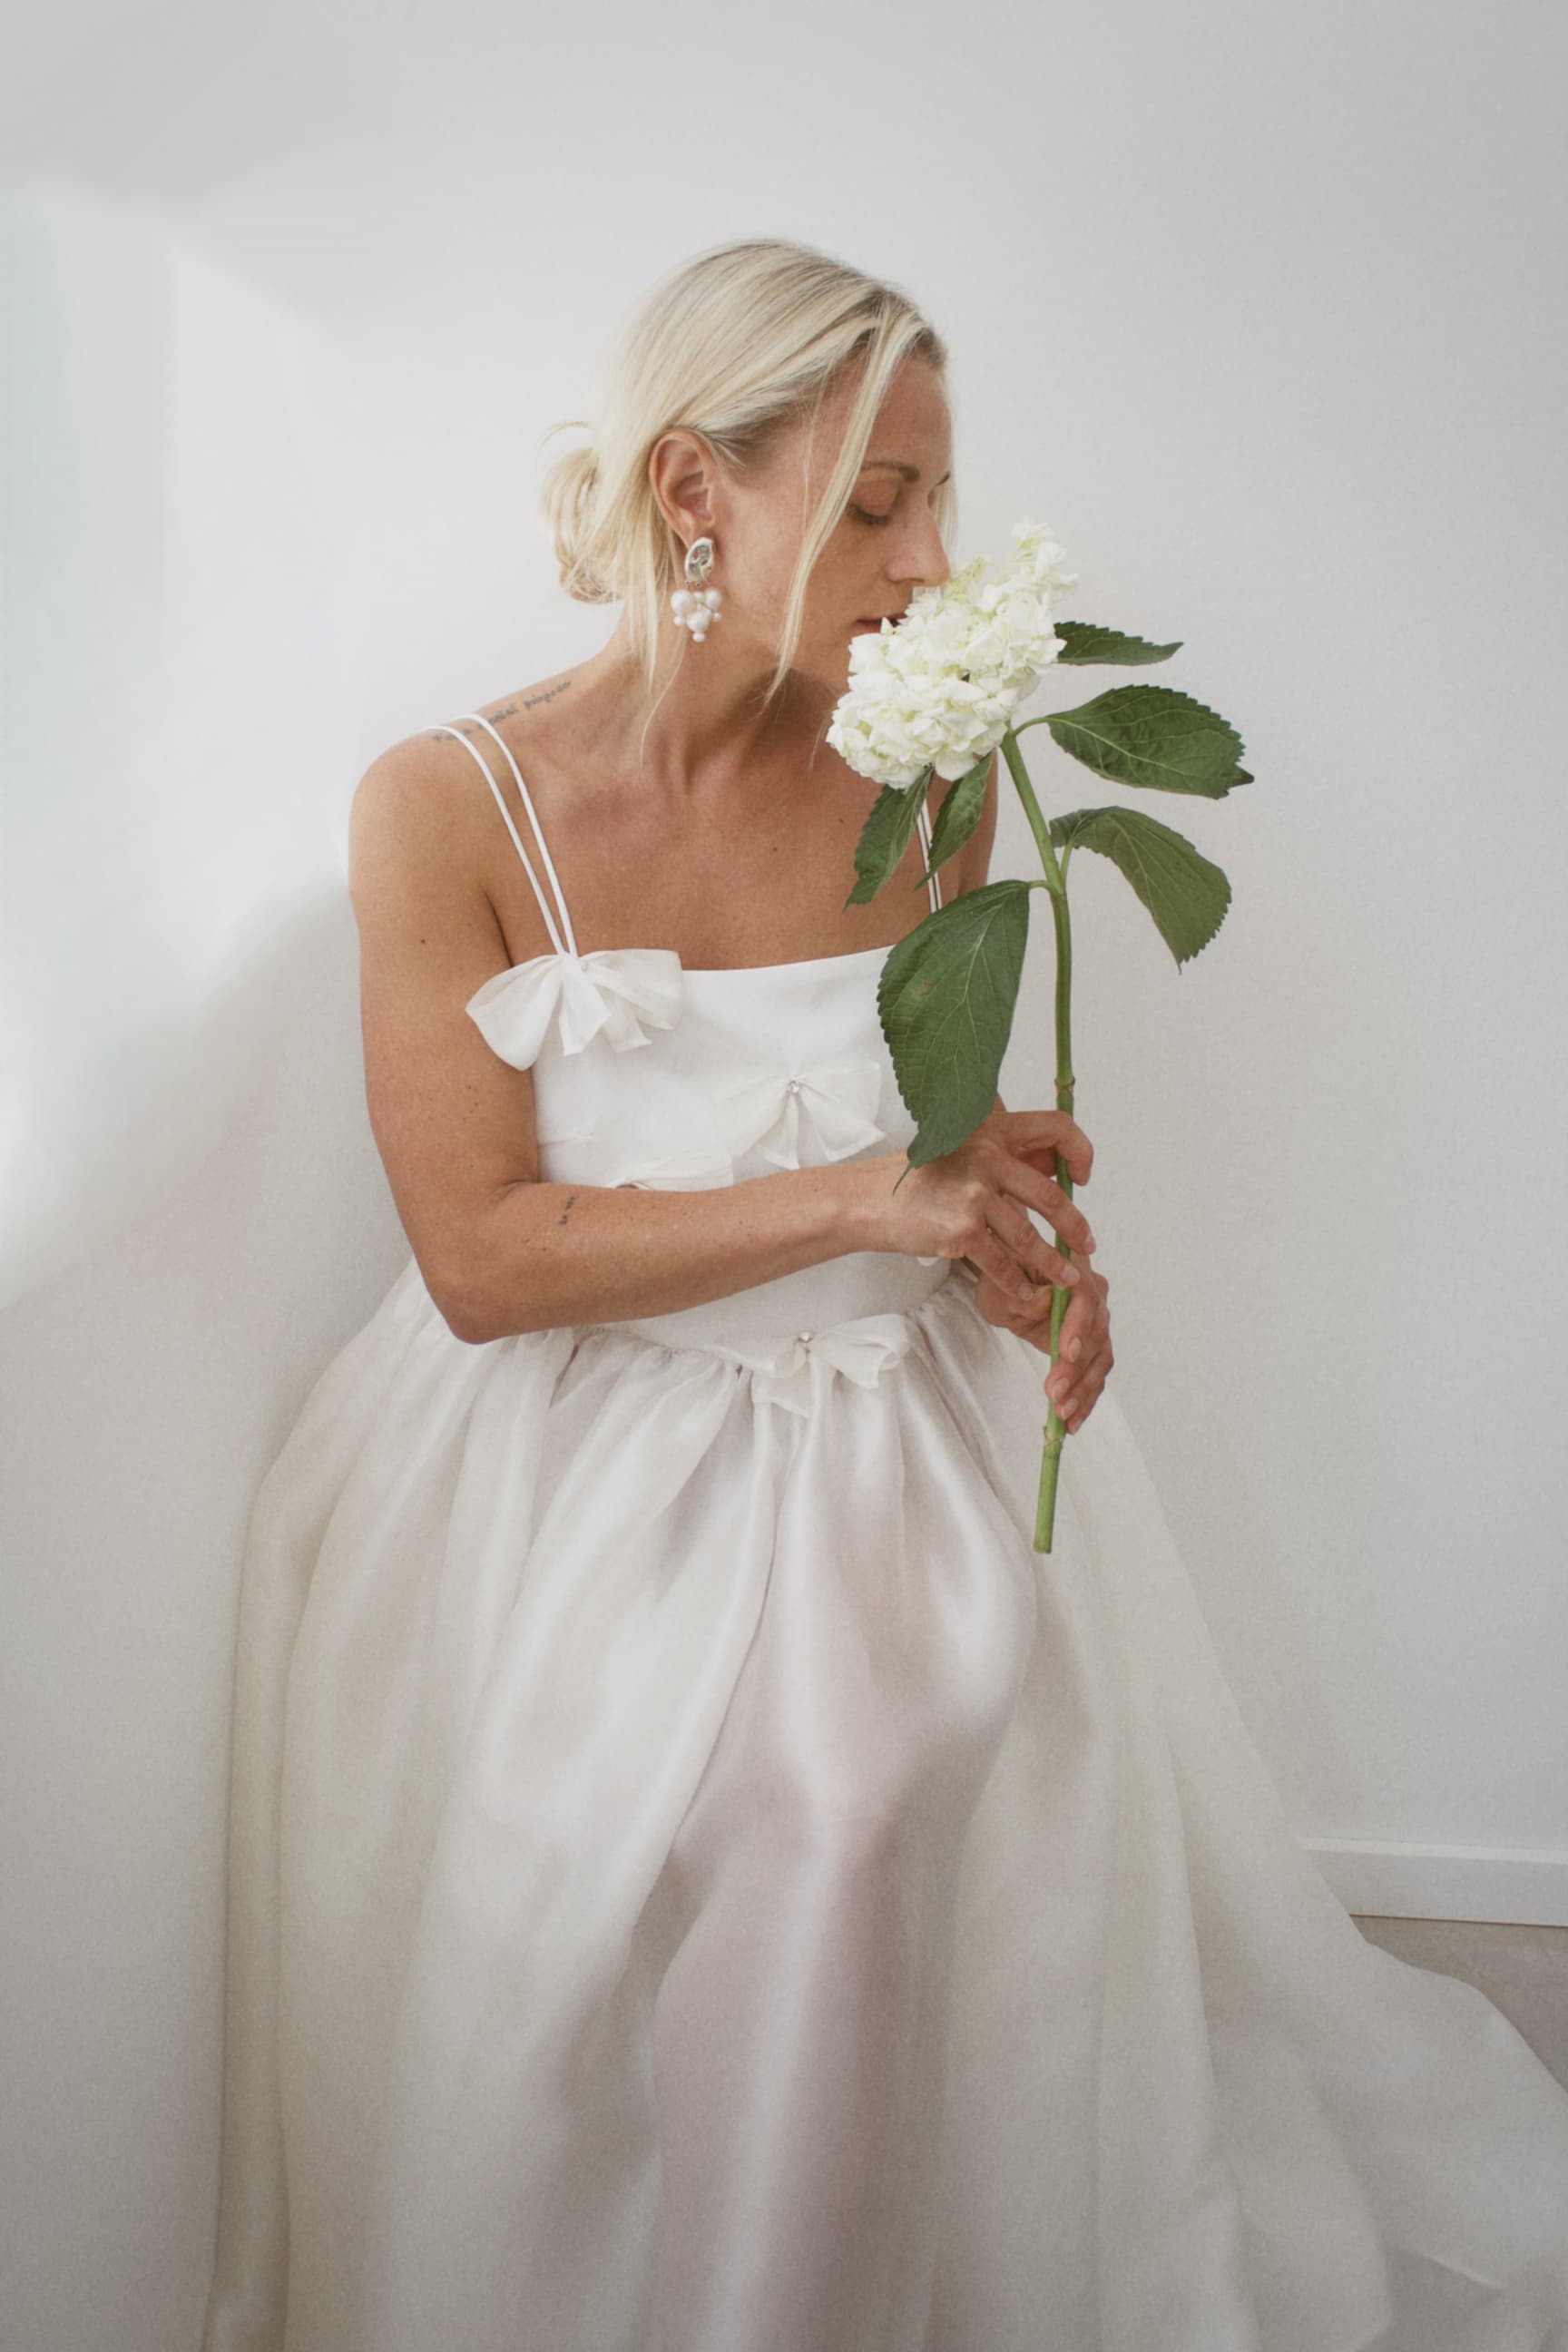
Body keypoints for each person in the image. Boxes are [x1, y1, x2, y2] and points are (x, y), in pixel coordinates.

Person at [201, 239, 1568, 2352]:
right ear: (692, 494)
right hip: (563, 1453)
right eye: (873, 504)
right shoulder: (446, 806)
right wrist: (876, 1202)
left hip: (875, 1428)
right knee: (689, 1840)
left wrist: (1023, 1261)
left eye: (937, 496)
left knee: (849, 1798)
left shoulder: (931, 766)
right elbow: (478, 1262)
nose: (930, 561)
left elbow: (935, 1123)